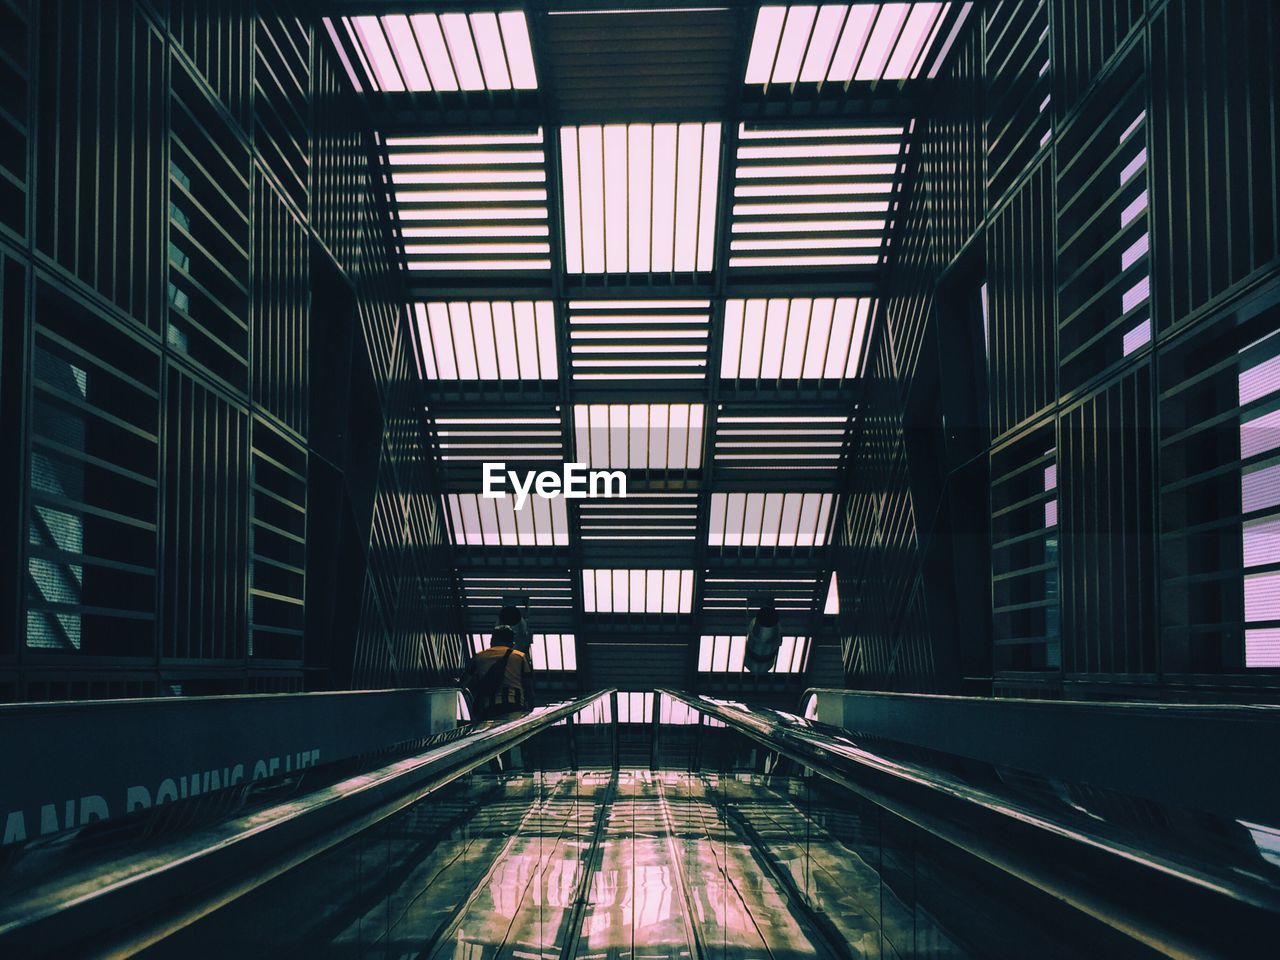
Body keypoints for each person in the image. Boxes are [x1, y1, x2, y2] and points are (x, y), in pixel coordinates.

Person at [462, 624, 535, 722]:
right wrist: (531, 706)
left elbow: (464, 682)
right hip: (514, 703)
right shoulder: (519, 657)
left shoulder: (479, 657)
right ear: (511, 641)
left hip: (488, 706)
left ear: (493, 639)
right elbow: (528, 685)